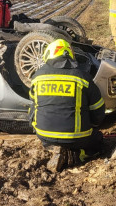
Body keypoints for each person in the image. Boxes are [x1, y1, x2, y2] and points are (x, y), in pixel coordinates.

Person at [29, 39, 105, 167]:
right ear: (70, 55)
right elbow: (98, 110)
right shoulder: (83, 77)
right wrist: (93, 126)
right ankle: (78, 154)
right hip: (77, 138)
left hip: (44, 136)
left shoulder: (37, 77)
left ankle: (53, 148)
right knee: (98, 140)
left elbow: (33, 105)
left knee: (34, 106)